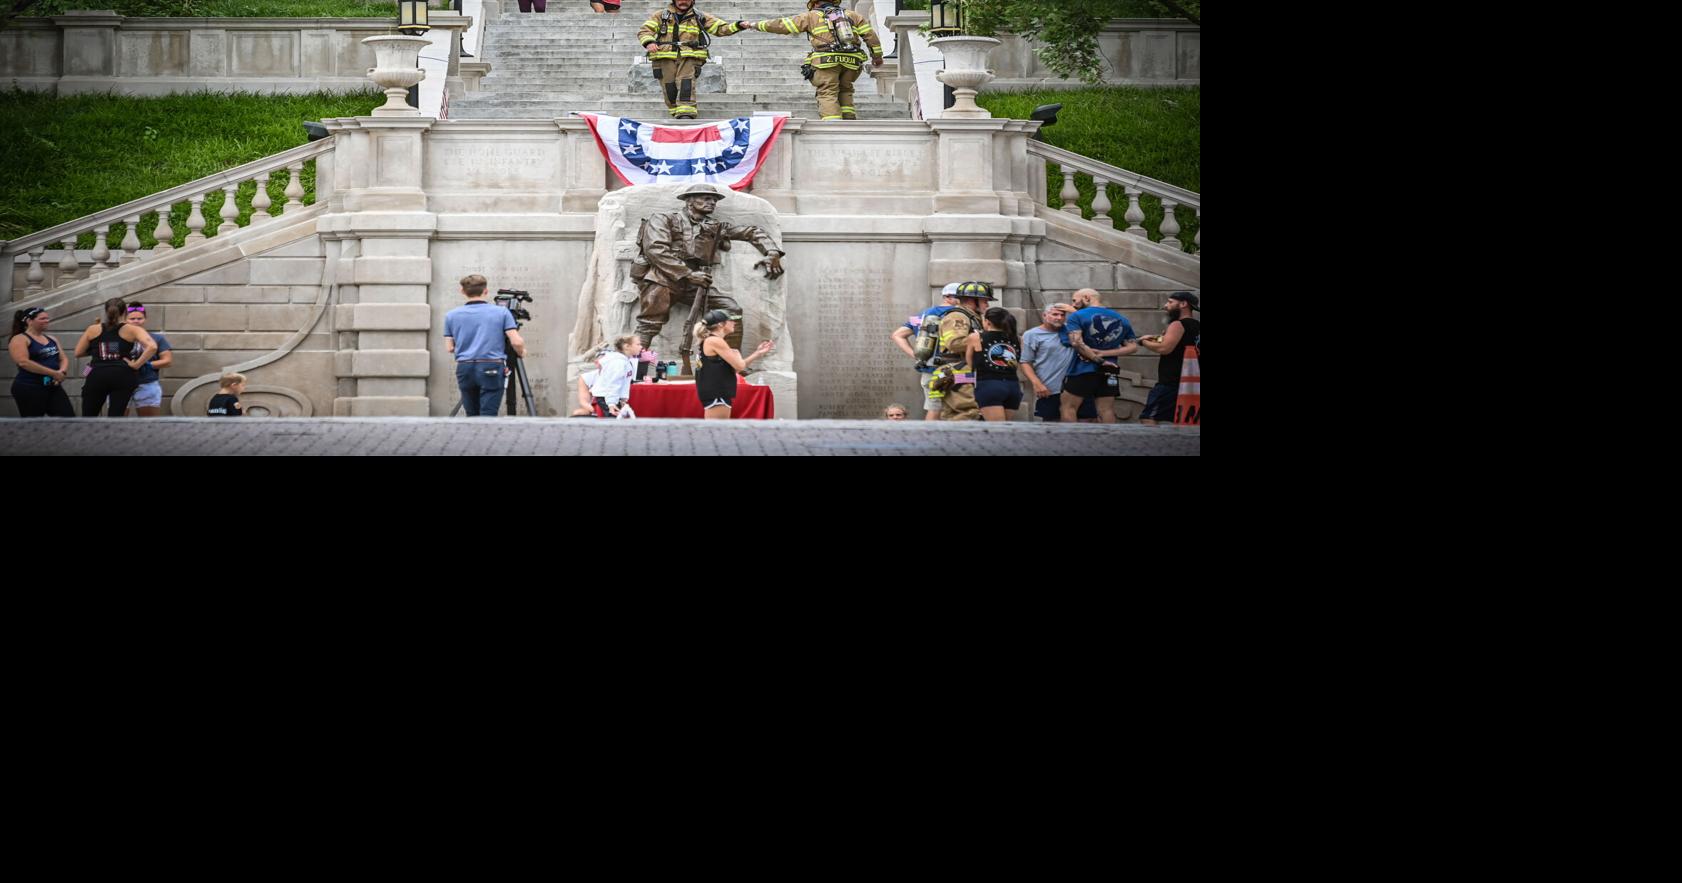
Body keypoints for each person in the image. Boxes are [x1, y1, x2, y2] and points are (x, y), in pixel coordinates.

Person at [632, 185, 782, 374]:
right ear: (689, 201)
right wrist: (688, 273)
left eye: (714, 200)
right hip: (662, 278)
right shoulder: (663, 219)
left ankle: (732, 363)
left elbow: (751, 232)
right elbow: (655, 250)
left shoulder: (715, 226)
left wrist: (772, 251)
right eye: (705, 198)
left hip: (696, 283)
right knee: (648, 324)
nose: (712, 202)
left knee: (731, 309)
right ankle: (633, 371)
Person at [736, 1, 884, 120]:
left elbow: (781, 25)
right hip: (852, 61)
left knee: (828, 92)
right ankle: (849, 121)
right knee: (845, 89)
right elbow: (871, 36)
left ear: (815, 3)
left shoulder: (810, 16)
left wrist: (754, 25)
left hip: (826, 61)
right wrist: (877, 57)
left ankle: (833, 127)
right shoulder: (853, 15)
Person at [638, 0, 743, 119]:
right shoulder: (660, 15)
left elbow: (721, 29)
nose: (683, 2)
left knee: (685, 82)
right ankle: (675, 109)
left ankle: (686, 112)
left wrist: (739, 25)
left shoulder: (700, 16)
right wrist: (649, 42)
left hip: (690, 56)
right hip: (664, 56)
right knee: (669, 86)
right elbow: (644, 31)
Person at [444, 274, 528, 417]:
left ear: (462, 291)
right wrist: (522, 352)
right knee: (488, 415)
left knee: (471, 415)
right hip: (492, 366)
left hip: (465, 367)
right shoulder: (502, 312)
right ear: (486, 291)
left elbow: (450, 348)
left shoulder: (451, 315)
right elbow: (516, 341)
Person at [1060, 288, 1137, 425]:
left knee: (1068, 407)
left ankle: (1071, 442)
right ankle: (1110, 444)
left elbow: (1076, 342)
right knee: (1106, 410)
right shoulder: (1122, 319)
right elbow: (1132, 347)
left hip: (1082, 370)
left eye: (1075, 300)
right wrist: (1105, 354)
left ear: (1087, 298)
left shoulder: (1077, 316)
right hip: (1109, 372)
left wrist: (1099, 359)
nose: (1073, 305)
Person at [72, 298, 157, 418]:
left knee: (89, 416)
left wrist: (99, 350)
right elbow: (152, 347)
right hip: (122, 375)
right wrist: (136, 364)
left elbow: (78, 353)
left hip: (97, 374)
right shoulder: (132, 329)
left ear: (106, 311)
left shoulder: (93, 329)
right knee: (116, 417)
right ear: (124, 313)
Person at [891, 282, 961, 421]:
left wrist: (916, 356)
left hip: (930, 371)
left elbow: (897, 335)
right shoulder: (961, 314)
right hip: (956, 371)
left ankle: (928, 439)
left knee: (934, 408)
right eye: (962, 297)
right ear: (947, 297)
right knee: (960, 408)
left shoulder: (922, 315)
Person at [1019, 303, 1096, 423]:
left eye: (1062, 315)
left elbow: (1091, 328)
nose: (1059, 318)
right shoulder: (1032, 334)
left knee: (1086, 422)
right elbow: (1025, 362)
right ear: (1044, 315)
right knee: (1052, 425)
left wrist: (1074, 312)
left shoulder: (1072, 331)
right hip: (1050, 388)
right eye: (1055, 314)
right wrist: (1037, 384)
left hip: (1077, 386)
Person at [1136, 291, 1202, 426]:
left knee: (1148, 417)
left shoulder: (1177, 324)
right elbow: (1180, 342)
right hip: (1191, 383)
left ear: (1183, 304)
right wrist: (1155, 337)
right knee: (1183, 420)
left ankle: (1153, 447)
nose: (1166, 306)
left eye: (1170, 302)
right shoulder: (1197, 326)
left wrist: (1143, 342)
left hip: (1171, 382)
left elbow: (1164, 348)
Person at [693, 308, 773, 419]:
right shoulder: (715, 341)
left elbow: (736, 369)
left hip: (716, 394)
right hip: (717, 394)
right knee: (716, 432)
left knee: (716, 432)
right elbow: (739, 365)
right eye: (731, 320)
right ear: (721, 324)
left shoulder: (711, 340)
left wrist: (758, 353)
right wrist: (736, 354)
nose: (734, 323)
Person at [8, 307, 74, 418]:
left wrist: (61, 372)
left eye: (47, 318)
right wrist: (53, 373)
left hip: (52, 387)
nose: (47, 320)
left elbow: (63, 358)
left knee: (68, 419)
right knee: (33, 425)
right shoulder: (19, 339)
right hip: (29, 388)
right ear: (29, 321)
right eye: (42, 318)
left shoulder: (51, 338)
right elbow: (23, 362)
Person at [965, 307, 1023, 422]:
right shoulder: (1017, 338)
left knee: (997, 431)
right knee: (1006, 428)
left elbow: (969, 361)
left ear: (988, 322)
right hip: (1013, 386)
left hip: (989, 385)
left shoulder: (976, 337)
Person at [123, 303, 173, 417]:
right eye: (132, 318)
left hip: (147, 383)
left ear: (145, 319)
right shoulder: (118, 337)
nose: (136, 321)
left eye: (139, 318)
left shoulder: (156, 338)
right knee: (117, 424)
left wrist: (147, 364)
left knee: (149, 423)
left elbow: (168, 361)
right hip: (121, 383)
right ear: (125, 320)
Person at [591, 334, 642, 417]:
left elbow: (623, 383)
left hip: (611, 397)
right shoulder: (618, 363)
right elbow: (613, 383)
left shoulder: (624, 361)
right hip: (607, 397)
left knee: (617, 421)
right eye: (638, 344)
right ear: (627, 346)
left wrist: (623, 399)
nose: (641, 347)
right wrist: (611, 403)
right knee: (613, 421)